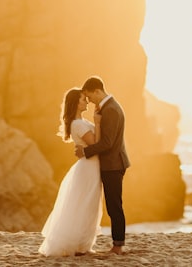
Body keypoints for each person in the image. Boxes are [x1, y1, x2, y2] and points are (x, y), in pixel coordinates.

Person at [38, 87, 103, 257]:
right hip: (89, 168)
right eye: (83, 99)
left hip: (90, 166)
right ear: (75, 103)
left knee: (88, 204)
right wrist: (97, 122)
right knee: (85, 205)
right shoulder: (79, 124)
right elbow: (95, 144)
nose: (86, 102)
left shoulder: (80, 122)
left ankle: (83, 245)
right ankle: (80, 246)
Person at [75, 76, 129, 254]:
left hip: (113, 164)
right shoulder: (107, 107)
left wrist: (86, 152)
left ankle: (118, 245)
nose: (89, 101)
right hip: (111, 163)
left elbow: (107, 143)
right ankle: (117, 243)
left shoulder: (111, 109)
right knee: (113, 204)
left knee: (114, 205)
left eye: (89, 96)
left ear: (97, 91)